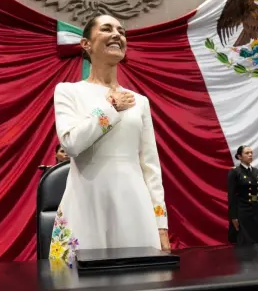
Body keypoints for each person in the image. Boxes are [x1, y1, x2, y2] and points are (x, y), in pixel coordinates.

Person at [50, 14, 169, 264]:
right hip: (85, 202)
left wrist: (161, 224)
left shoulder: (140, 102)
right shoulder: (68, 91)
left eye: (122, 31)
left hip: (134, 204)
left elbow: (151, 167)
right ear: (86, 44)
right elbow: (71, 144)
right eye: (106, 29)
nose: (117, 34)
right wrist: (110, 109)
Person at [227, 145, 258, 245]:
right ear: (239, 157)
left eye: (251, 153)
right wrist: (233, 216)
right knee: (247, 243)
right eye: (247, 153)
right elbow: (231, 196)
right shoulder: (235, 172)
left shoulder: (257, 171)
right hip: (244, 211)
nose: (250, 155)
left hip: (257, 210)